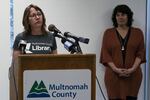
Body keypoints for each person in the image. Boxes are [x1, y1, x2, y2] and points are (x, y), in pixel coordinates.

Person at [9, 4, 57, 100]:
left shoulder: (50, 37)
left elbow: (55, 61)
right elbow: (15, 65)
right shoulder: (21, 38)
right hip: (27, 84)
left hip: (48, 83)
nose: (37, 17)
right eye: (33, 15)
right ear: (27, 20)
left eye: (39, 14)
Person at [100, 4, 146, 100]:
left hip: (133, 76)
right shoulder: (108, 33)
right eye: (118, 15)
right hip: (113, 76)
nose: (120, 17)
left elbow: (140, 53)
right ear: (115, 17)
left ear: (128, 16)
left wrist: (132, 69)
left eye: (123, 14)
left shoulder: (138, 33)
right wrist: (116, 69)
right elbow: (105, 54)